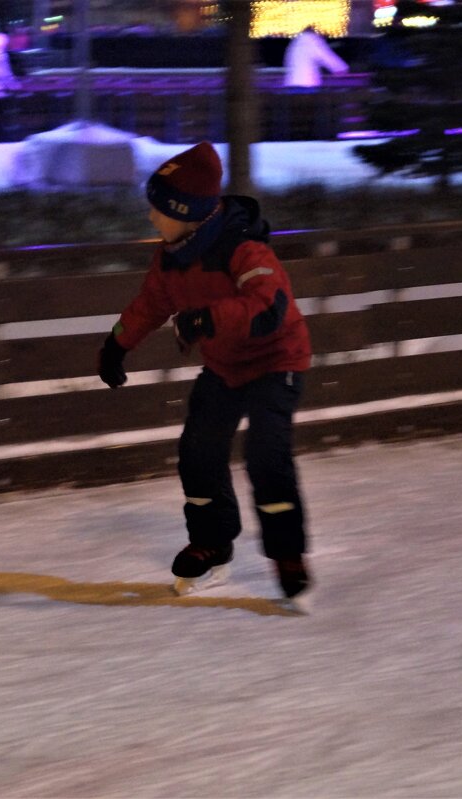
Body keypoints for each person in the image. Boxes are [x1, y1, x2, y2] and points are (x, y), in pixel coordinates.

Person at [96, 141, 314, 612]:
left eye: (160, 210)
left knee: (265, 455)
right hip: (225, 366)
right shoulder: (172, 255)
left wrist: (208, 320)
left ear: (188, 211)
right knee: (198, 452)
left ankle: (286, 552)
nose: (152, 219)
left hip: (277, 362)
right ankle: (211, 542)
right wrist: (117, 343)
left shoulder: (242, 246)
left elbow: (268, 305)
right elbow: (150, 304)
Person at [283, 25, 348, 90]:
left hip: (291, 85)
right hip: (306, 86)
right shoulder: (312, 39)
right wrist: (341, 68)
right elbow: (325, 57)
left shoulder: (296, 41)